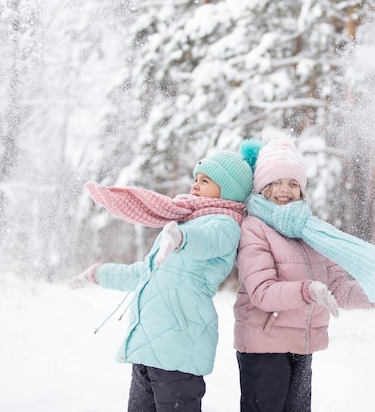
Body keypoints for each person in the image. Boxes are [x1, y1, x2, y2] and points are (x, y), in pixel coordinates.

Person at [234, 131, 375, 412]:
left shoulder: (311, 231)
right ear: (262, 187)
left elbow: (338, 288)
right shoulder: (254, 228)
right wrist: (308, 291)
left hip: (301, 346)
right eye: (276, 182)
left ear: (302, 189)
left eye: (293, 183)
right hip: (264, 346)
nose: (285, 190)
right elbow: (262, 292)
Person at [68, 149, 254, 412]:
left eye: (205, 180)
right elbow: (142, 273)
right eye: (196, 178)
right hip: (147, 347)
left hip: (179, 351)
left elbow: (208, 241)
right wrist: (97, 273)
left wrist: (181, 239)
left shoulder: (226, 225)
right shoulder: (183, 222)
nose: (195, 184)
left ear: (228, 188)